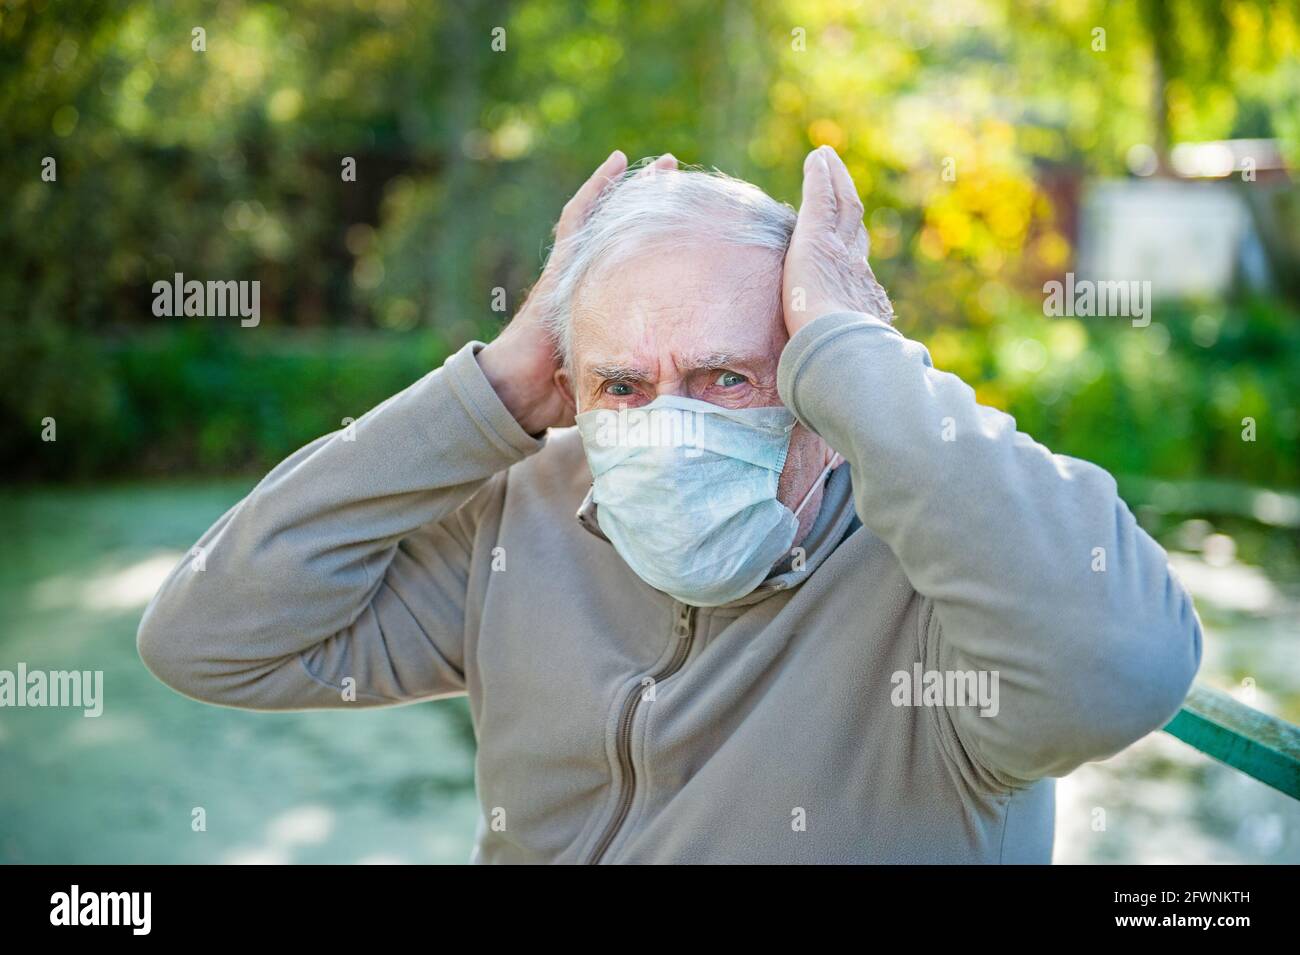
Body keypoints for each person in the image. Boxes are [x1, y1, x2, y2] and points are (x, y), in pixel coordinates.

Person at [137, 146, 1203, 863]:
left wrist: (854, 349)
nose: (668, 429)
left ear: (817, 390)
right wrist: (493, 391)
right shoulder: (531, 516)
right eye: (623, 386)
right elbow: (207, 637)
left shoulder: (948, 564)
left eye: (727, 378)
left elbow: (1117, 668)